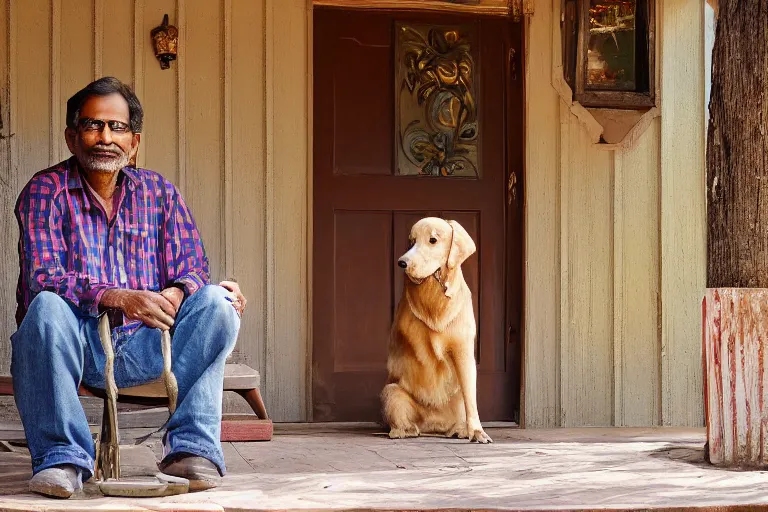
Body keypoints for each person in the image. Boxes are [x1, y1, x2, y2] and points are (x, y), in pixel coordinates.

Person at [10, 76, 246, 498]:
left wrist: (177, 292)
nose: (105, 138)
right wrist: (118, 297)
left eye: (117, 127)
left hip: (148, 344)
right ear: (71, 136)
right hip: (77, 347)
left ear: (134, 142)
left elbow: (193, 266)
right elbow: (42, 276)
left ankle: (189, 451)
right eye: (93, 125)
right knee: (44, 307)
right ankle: (63, 458)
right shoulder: (45, 190)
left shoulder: (159, 192)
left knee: (216, 300)